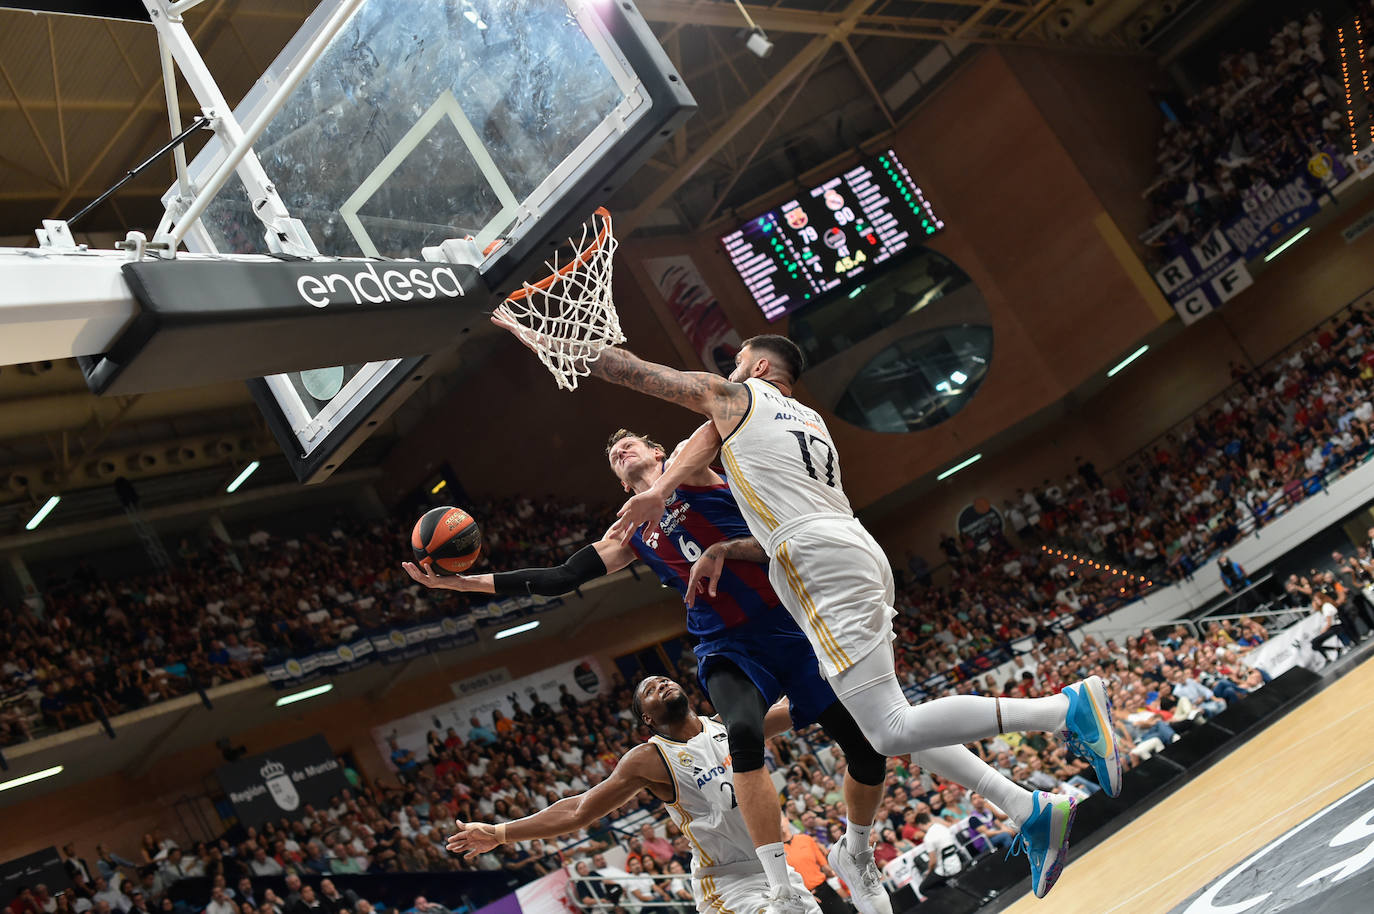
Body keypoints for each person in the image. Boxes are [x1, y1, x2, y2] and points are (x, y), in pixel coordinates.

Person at [491, 324, 1114, 898]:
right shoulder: (804, 418)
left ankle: (1065, 712)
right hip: (837, 553)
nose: (727, 372)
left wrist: (552, 337)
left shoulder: (732, 406)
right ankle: (1023, 810)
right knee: (882, 723)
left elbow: (632, 374)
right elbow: (577, 562)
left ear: (759, 368)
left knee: (886, 729)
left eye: (736, 364)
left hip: (808, 564)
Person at [446, 676, 821, 914]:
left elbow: (795, 708)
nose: (660, 684)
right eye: (649, 691)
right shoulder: (650, 757)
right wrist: (500, 833)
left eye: (662, 680)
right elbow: (578, 809)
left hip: (776, 869)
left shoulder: (727, 727)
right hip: (728, 882)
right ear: (648, 718)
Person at [780, 814, 847, 914]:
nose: (779, 823)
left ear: (787, 820)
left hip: (824, 890)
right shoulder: (776, 852)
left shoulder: (806, 839)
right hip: (802, 898)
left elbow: (825, 868)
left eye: (780, 818)